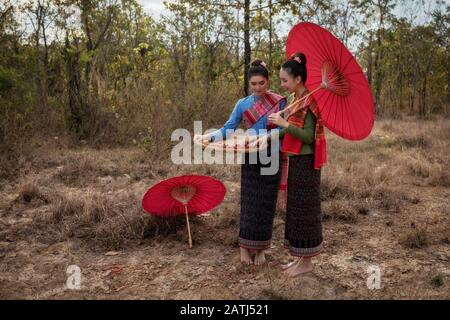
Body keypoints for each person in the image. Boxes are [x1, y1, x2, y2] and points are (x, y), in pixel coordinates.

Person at [195, 59, 286, 265]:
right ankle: (245, 248)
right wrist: (208, 138)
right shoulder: (242, 104)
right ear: (249, 84)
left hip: (272, 155)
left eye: (261, 83)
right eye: (253, 84)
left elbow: (284, 129)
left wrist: (271, 136)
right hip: (251, 155)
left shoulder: (280, 102)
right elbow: (228, 128)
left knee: (266, 205)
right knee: (249, 203)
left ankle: (261, 249)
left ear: (268, 81)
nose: (258, 88)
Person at [257, 52, 327, 276]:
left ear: (298, 79)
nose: (282, 84)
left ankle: (306, 263)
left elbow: (308, 136)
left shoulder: (310, 102)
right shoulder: (297, 100)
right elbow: (289, 132)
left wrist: (284, 123)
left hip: (306, 162)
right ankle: (299, 259)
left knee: (305, 212)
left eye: (285, 80)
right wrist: (269, 137)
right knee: (295, 210)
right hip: (296, 160)